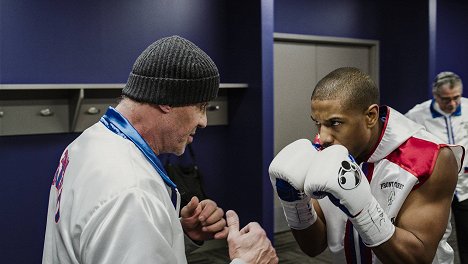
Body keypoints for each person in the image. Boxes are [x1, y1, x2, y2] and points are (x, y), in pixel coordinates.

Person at [42, 35, 278, 264]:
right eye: (201, 106)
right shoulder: (132, 193)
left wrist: (176, 230)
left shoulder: (87, 143)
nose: (204, 121)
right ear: (167, 99)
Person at [269, 67, 465, 263]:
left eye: (335, 123)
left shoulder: (431, 158)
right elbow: (313, 247)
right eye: (318, 123)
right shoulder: (325, 151)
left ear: (370, 116)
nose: (323, 136)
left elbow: (417, 259)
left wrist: (363, 209)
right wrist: (296, 204)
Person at [405, 71, 468, 264]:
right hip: (435, 187)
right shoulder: (416, 115)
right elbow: (406, 147)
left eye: (456, 97)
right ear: (435, 95)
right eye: (446, 99)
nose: (452, 103)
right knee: (438, 237)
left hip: (466, 187)